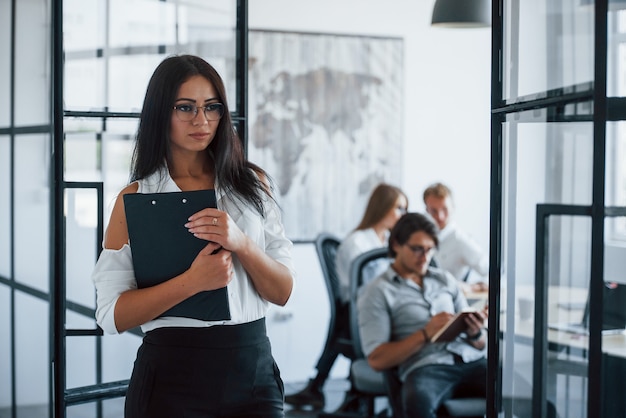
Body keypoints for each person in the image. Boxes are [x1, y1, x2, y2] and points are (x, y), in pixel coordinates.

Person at [91, 54, 295, 418]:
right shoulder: (135, 200)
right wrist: (192, 282)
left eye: (211, 107)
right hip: (171, 379)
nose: (202, 120)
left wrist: (242, 242)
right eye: (185, 108)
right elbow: (111, 314)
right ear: (160, 113)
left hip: (254, 373)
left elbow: (282, 292)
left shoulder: (253, 186)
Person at [285, 183, 408, 411]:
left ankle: (333, 391)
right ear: (383, 207)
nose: (403, 215)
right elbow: (368, 289)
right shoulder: (358, 243)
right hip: (359, 314)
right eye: (399, 208)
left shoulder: (388, 243)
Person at [357, 212, 487, 418]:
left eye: (430, 249)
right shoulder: (377, 292)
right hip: (427, 367)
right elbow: (376, 359)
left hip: (470, 359)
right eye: (418, 249)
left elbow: (481, 343)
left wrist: (475, 333)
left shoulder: (445, 280)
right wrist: (426, 333)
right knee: (418, 399)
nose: (425, 257)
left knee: (520, 390)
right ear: (397, 245)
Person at [423, 182, 488, 293]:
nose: (440, 216)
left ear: (453, 207)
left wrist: (472, 287)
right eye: (434, 211)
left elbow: (494, 274)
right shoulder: (420, 237)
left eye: (445, 209)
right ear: (426, 210)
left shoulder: (461, 240)